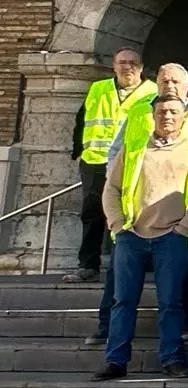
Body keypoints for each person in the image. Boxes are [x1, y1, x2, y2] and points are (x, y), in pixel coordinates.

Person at [94, 94, 188, 381]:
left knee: (171, 302)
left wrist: (184, 227)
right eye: (161, 112)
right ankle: (116, 360)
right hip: (131, 237)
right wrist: (117, 225)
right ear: (153, 115)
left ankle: (172, 359)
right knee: (122, 301)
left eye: (174, 112)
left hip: (172, 237)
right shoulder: (134, 148)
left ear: (184, 116)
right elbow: (111, 188)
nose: (167, 117)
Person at [65, 47, 156, 284]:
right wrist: (78, 150)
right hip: (95, 159)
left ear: (142, 67)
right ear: (114, 66)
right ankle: (88, 264)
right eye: (122, 62)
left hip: (131, 162)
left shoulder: (153, 91)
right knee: (92, 212)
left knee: (129, 212)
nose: (128, 67)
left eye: (133, 63)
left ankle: (129, 264)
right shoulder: (99, 88)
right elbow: (81, 119)